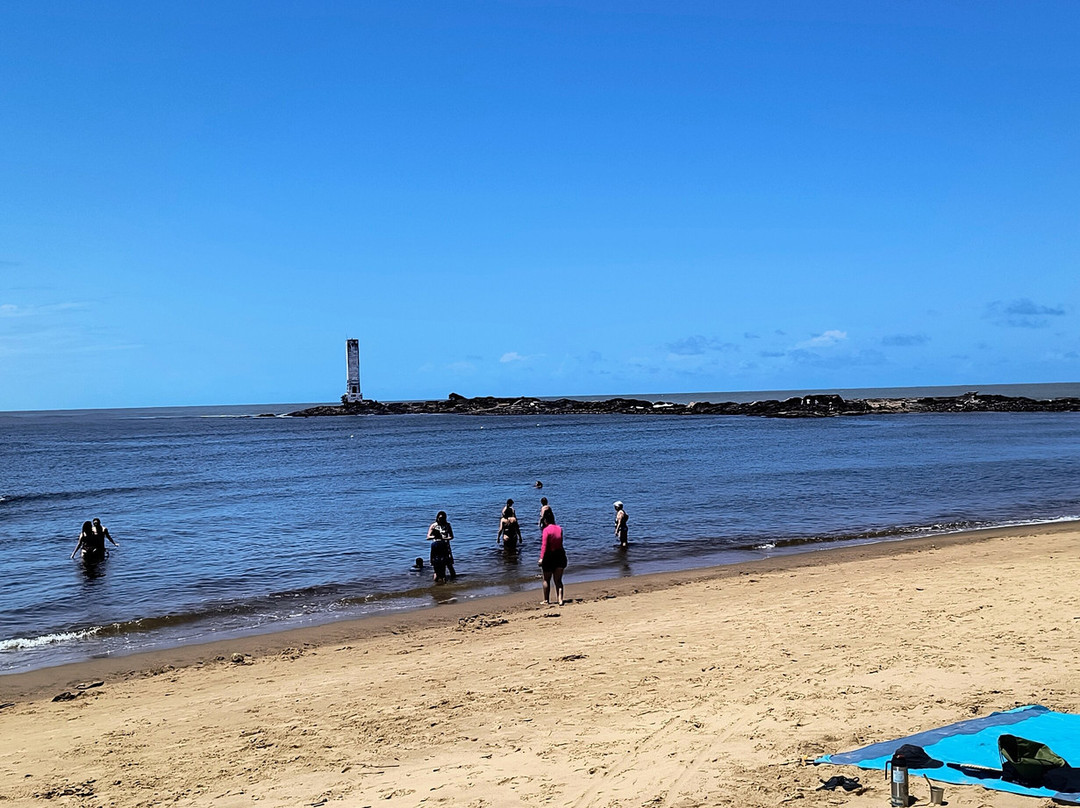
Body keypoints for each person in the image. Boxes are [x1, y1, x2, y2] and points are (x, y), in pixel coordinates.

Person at [538, 521, 567, 605]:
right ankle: (560, 599)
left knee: (546, 579)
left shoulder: (546, 530)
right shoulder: (559, 528)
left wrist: (541, 558)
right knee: (558, 580)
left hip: (549, 556)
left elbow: (544, 545)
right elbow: (560, 543)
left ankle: (546, 600)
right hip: (560, 555)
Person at [427, 511, 456, 582]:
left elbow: (451, 537)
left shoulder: (447, 525)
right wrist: (435, 536)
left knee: (449, 564)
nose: (441, 520)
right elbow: (428, 537)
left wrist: (443, 538)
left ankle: (454, 580)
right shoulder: (433, 525)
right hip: (436, 546)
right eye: (440, 518)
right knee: (436, 565)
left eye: (443, 518)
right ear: (437, 518)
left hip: (445, 545)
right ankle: (437, 583)